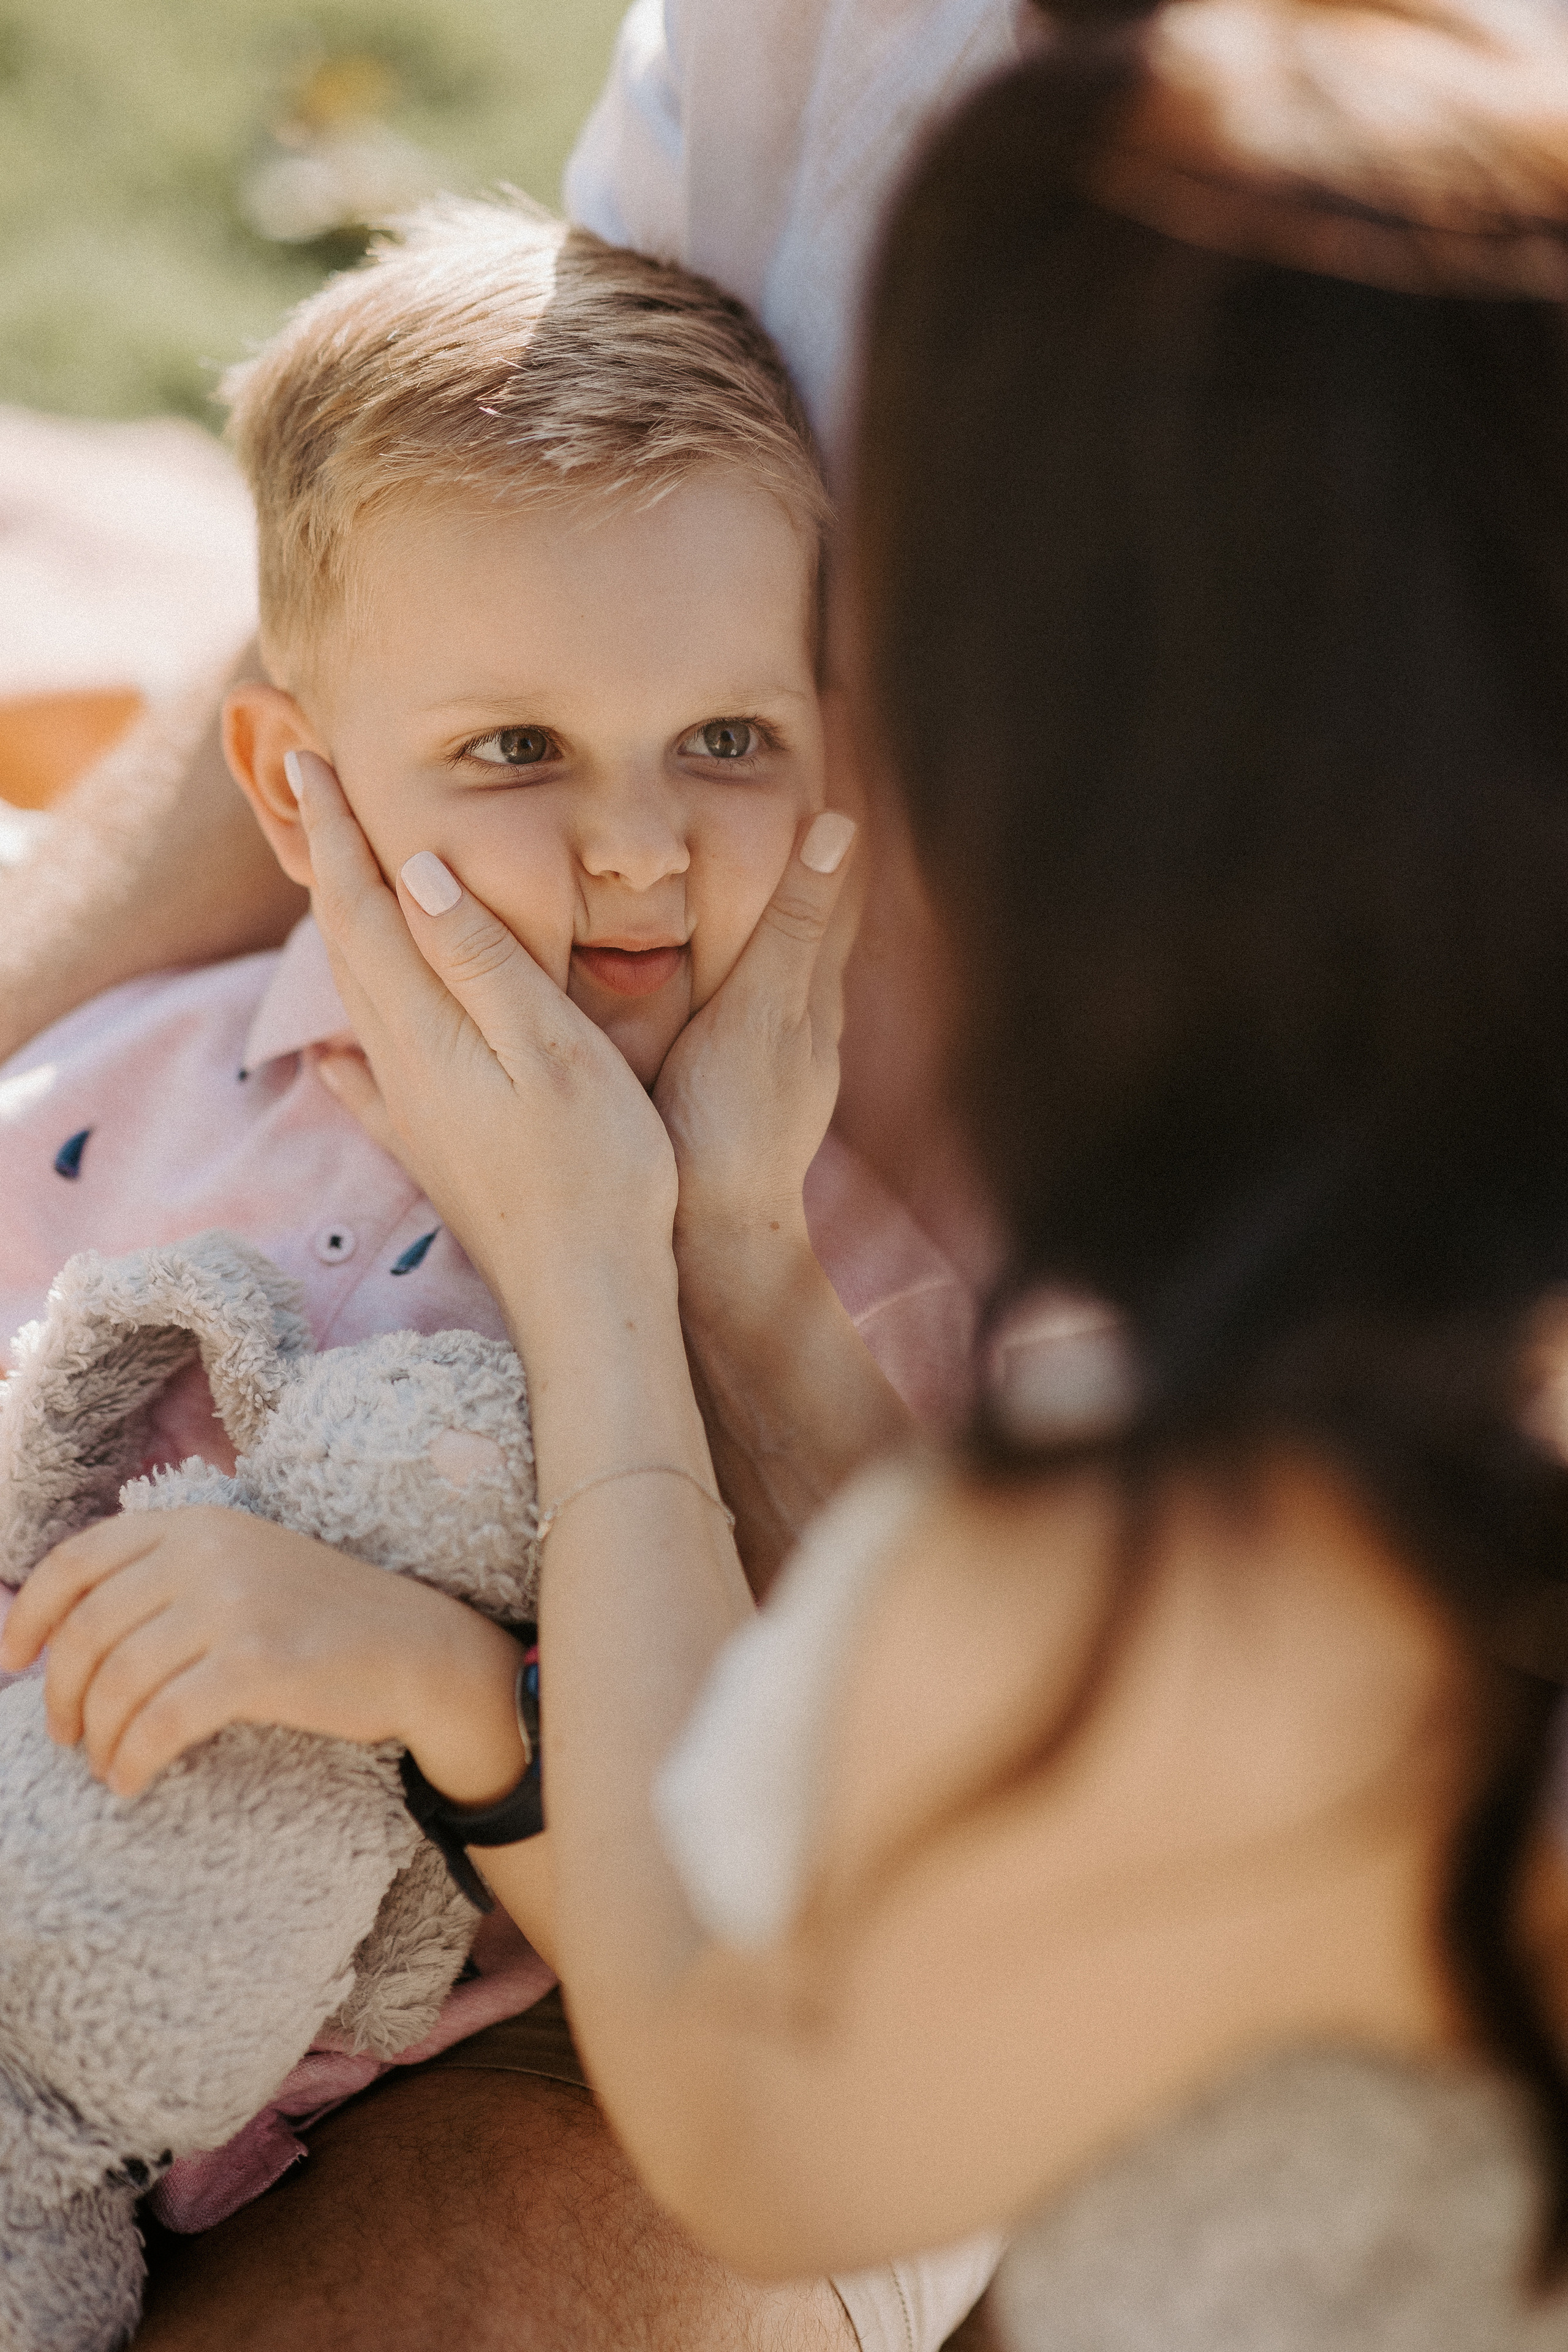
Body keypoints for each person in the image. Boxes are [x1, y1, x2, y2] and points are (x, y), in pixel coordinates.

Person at [29, 0, 1568, 2339]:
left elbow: (750, 2094)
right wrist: (705, 1261)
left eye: (827, 676)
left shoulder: (1284, 1581)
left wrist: (613, 1287)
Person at [0, 200, 992, 2348]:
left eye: (724, 745)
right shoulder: (116, 1105)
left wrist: (450, 1689)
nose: (638, 851)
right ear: (293, 780)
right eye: (518, 752)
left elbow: (776, 1937)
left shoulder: (853, 1322)